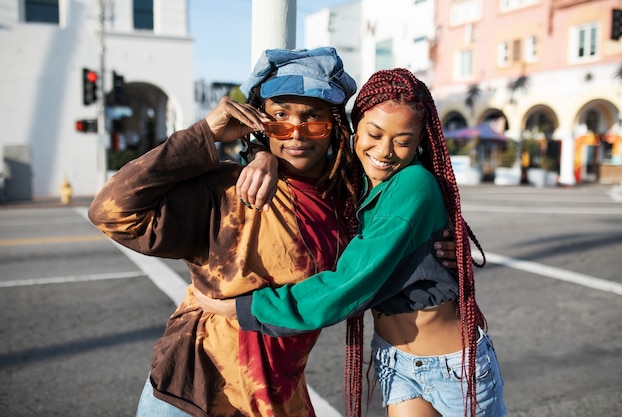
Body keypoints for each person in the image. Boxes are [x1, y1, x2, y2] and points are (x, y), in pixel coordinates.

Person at [88, 48, 456, 417]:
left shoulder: (347, 199)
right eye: (279, 118)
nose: (296, 134)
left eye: (313, 119)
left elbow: (384, 237)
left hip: (279, 398)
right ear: (261, 122)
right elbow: (112, 212)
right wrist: (206, 134)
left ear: (336, 127)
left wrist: (433, 250)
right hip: (192, 394)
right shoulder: (227, 190)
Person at [197, 68, 507, 417]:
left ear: (421, 141)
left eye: (403, 141)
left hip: (451, 367)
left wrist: (249, 308)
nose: (385, 151)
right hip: (396, 359)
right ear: (354, 129)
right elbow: (297, 150)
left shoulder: (414, 185)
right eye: (373, 134)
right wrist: (262, 155)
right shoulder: (353, 174)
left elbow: (351, 280)